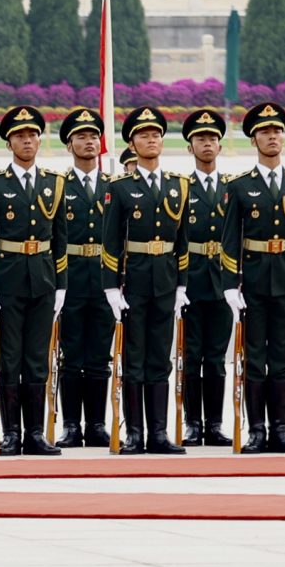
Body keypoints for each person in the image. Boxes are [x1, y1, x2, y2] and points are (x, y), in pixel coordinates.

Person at [227, 103, 285, 454]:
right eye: (265, 132)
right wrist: (231, 285)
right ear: (254, 140)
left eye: (277, 131)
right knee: (254, 357)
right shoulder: (240, 186)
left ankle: (280, 430)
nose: (272, 136)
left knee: (282, 357)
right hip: (255, 282)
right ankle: (257, 431)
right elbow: (230, 238)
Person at [0, 105, 62, 456]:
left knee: (37, 359)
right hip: (10, 280)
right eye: (20, 136)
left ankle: (34, 433)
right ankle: (11, 432)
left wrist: (62, 284)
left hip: (43, 279)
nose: (27, 141)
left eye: (32, 135)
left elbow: (60, 238)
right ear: (9, 143)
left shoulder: (53, 183)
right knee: (10, 357)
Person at [103, 107, 187, 454]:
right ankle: (135, 433)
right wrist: (111, 286)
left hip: (165, 280)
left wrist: (181, 283)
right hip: (134, 281)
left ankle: (159, 433)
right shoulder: (121, 188)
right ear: (132, 144)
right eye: (143, 135)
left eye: (155, 134)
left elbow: (182, 239)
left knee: (160, 359)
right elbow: (110, 240)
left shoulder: (178, 185)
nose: (151, 139)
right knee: (134, 357)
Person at [176, 108, 240, 449]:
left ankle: (213, 424)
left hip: (223, 281)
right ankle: (191, 423)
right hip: (192, 280)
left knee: (216, 358)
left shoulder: (234, 188)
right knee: (191, 356)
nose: (207, 144)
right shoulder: (181, 189)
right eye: (201, 139)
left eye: (213, 139)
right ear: (190, 148)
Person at [52, 108, 114, 447]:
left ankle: (97, 424)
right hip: (72, 277)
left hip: (104, 280)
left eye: (93, 136)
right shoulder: (59, 186)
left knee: (100, 354)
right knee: (71, 353)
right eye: (81, 137)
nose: (88, 142)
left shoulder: (113, 186)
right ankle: (72, 425)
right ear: (69, 144)